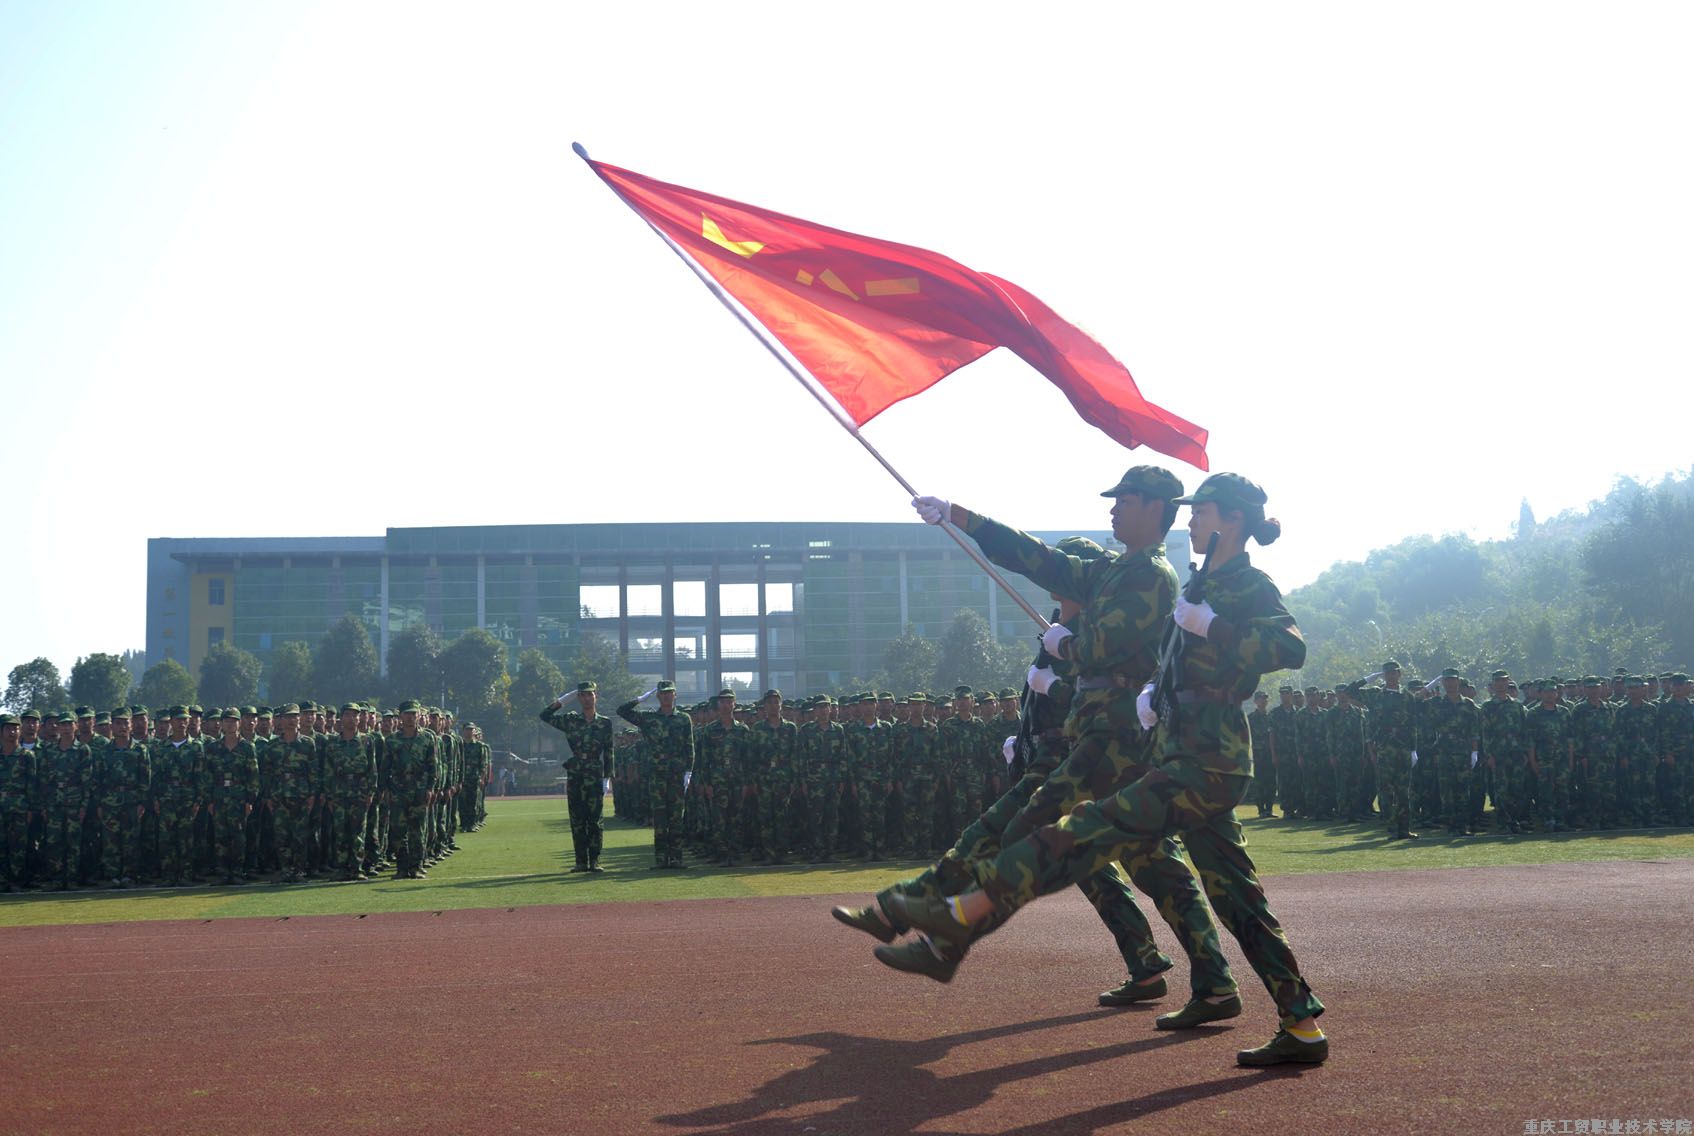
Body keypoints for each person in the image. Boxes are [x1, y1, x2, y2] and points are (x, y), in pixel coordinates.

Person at [879, 473, 1328, 1067]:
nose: (1190, 521)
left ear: (1232, 522)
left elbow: (1289, 649)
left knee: (1081, 830)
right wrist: (1153, 695)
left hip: (1206, 763)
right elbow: (1170, 660)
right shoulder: (1203, 582)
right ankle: (1300, 1028)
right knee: (1237, 898)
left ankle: (957, 919)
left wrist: (1212, 627)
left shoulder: (1244, 584)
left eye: (1202, 512)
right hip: (1184, 754)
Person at [617, 681, 694, 869]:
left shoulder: (684, 719)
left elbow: (689, 747)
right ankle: (661, 859)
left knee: (676, 817)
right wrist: (640, 699)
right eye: (662, 694)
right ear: (658, 696)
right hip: (657, 776)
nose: (666, 696)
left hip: (676, 776)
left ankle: (676, 858)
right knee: (660, 818)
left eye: (670, 693)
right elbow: (622, 711)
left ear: (675, 695)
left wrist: (689, 771)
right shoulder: (649, 719)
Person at [542, 682, 615, 873]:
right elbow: (545, 715)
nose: (586, 699)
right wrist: (567, 697)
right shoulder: (571, 720)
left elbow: (609, 752)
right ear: (578, 698)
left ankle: (595, 860)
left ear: (595, 696)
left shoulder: (605, 723)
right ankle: (581, 861)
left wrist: (607, 778)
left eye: (589, 695)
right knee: (577, 819)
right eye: (582, 695)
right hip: (576, 773)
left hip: (594, 772)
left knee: (595, 820)